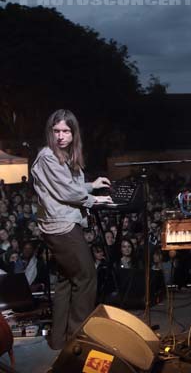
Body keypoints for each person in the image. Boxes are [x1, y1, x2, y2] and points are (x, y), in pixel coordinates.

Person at [31, 109, 112, 350]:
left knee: (67, 280)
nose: (60, 136)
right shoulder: (47, 156)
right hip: (61, 227)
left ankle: (59, 340)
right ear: (50, 133)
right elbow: (66, 192)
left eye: (66, 131)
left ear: (73, 133)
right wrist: (95, 199)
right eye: (56, 131)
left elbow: (65, 185)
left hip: (59, 225)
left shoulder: (62, 156)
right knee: (86, 277)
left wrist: (91, 185)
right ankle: (79, 341)